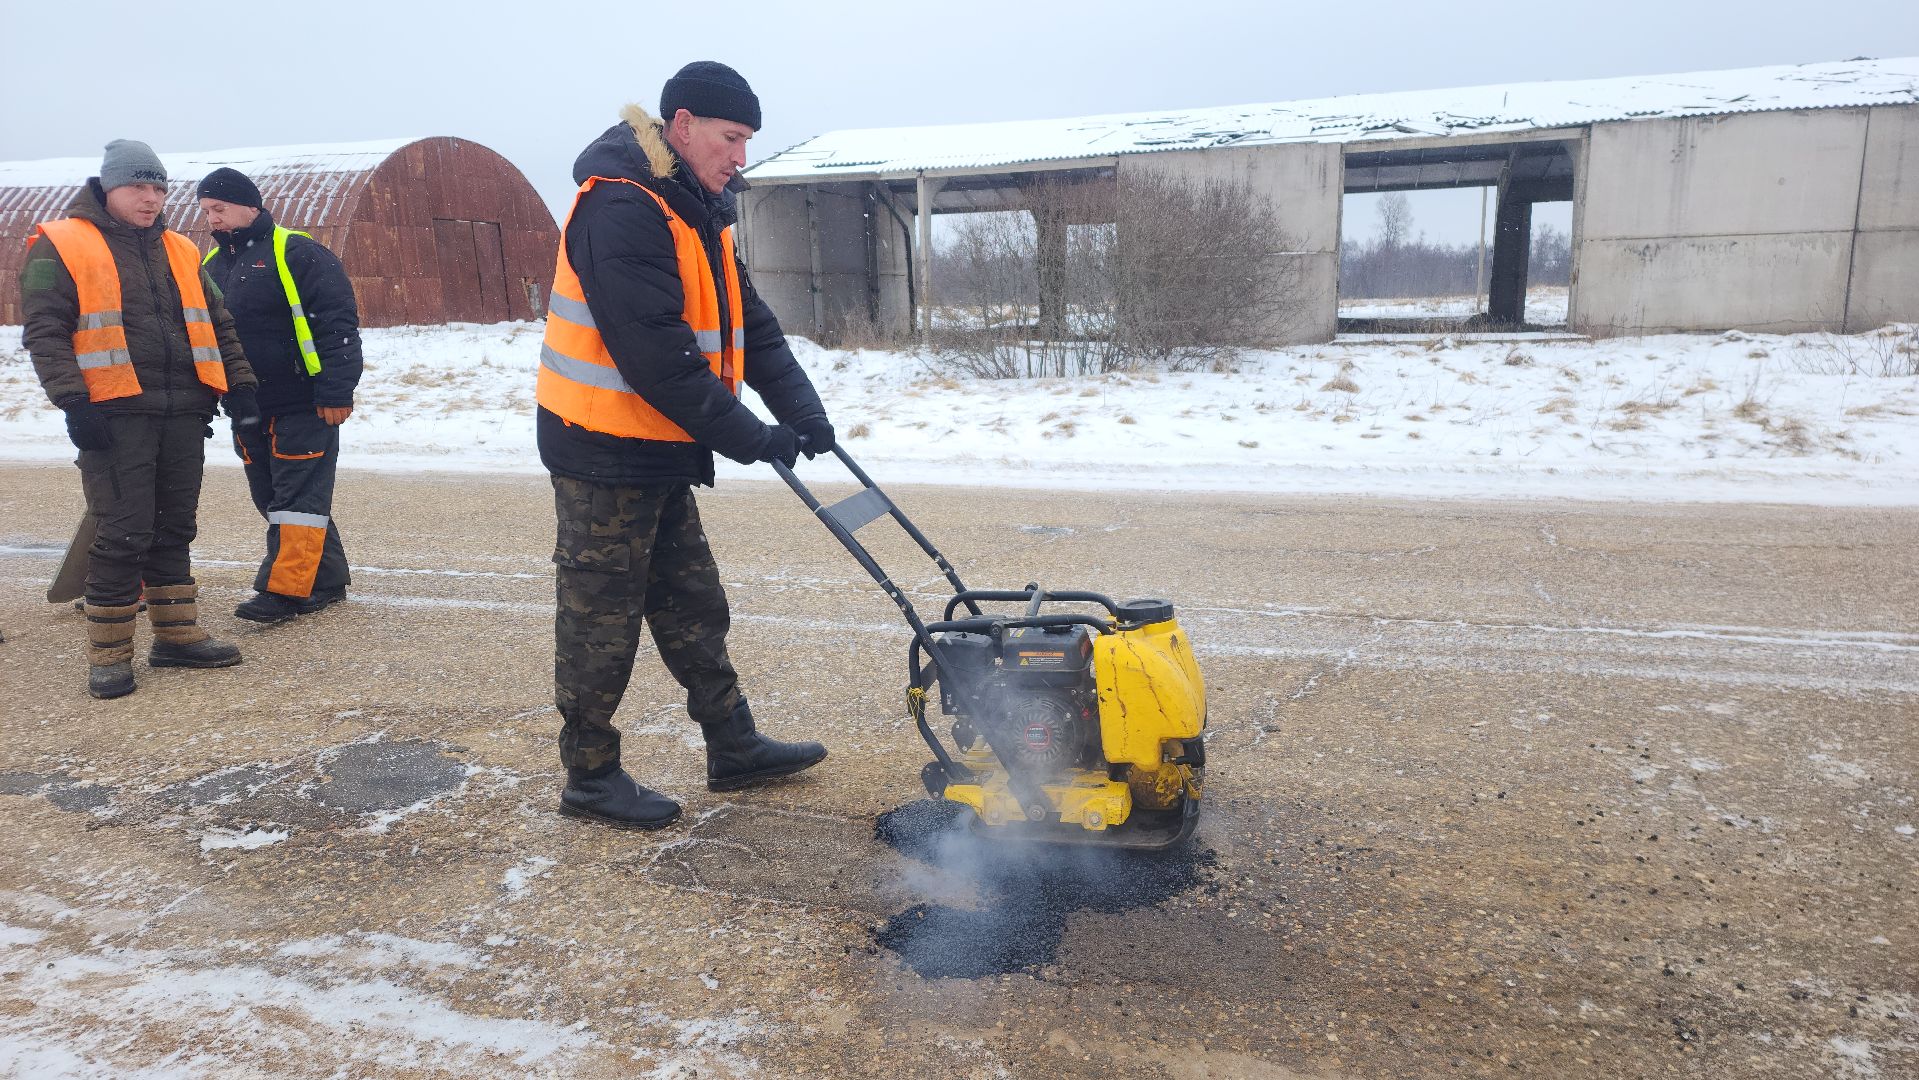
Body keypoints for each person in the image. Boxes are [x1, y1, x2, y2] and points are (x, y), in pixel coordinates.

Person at [537, 62, 837, 829]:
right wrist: (753, 438)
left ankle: (732, 744)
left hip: (660, 443)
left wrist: (804, 414)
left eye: (746, 141)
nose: (740, 156)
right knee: (601, 620)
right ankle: (590, 776)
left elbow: (751, 326)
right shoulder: (622, 208)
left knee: (693, 603)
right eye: (731, 137)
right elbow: (657, 356)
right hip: (601, 447)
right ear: (681, 126)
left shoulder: (695, 209)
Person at [22, 139, 260, 699]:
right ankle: (108, 655)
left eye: (159, 188)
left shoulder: (179, 249)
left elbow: (217, 321)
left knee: (174, 528)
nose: (151, 198)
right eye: (138, 186)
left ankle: (176, 638)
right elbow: (45, 331)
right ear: (108, 186)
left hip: (183, 411)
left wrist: (241, 384)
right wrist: (74, 403)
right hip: (113, 413)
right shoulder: (59, 244)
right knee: (123, 531)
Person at [197, 167, 363, 623]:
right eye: (206, 211)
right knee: (273, 498)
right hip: (247, 406)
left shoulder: (296, 251)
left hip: (305, 401)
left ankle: (286, 591)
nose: (212, 218)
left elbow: (338, 325)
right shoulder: (211, 268)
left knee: (295, 500)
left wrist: (336, 388)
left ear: (251, 206)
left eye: (220, 208)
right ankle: (326, 580)